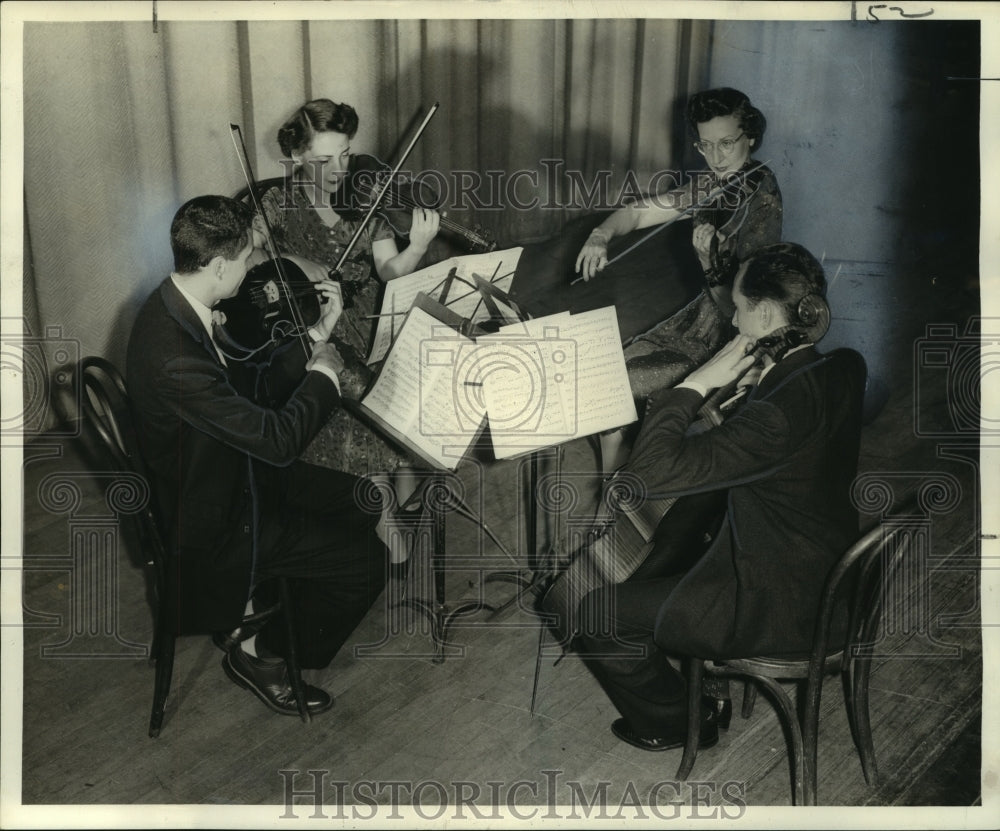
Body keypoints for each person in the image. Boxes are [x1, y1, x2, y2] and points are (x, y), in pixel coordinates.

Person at [571, 242, 866, 751]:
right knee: (685, 527)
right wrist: (757, 386)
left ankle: (679, 722)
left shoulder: (772, 419)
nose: (731, 322)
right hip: (827, 571)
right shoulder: (843, 366)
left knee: (598, 614)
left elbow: (646, 473)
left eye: (738, 308)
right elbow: (779, 442)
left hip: (777, 606)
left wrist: (695, 383)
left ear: (768, 313)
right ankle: (702, 675)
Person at [126, 195, 388, 716]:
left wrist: (316, 335)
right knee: (370, 564)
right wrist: (327, 373)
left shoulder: (179, 303)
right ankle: (261, 654)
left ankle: (287, 592)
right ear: (219, 265)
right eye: (247, 258)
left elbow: (248, 391)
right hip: (214, 514)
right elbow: (278, 440)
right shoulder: (173, 357)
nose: (252, 268)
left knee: (363, 499)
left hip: (224, 468)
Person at [252, 98, 441, 525]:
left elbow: (390, 271)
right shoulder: (277, 202)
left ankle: (402, 512)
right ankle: (381, 523)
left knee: (412, 409)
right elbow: (247, 252)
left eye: (345, 155)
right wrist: (299, 264)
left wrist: (418, 246)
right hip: (320, 328)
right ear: (297, 156)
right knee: (364, 428)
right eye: (323, 159)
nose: (338, 169)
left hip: (377, 323)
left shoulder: (363, 199)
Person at [575, 88, 783, 472]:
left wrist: (710, 264)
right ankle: (617, 486)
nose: (716, 158)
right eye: (705, 146)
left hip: (736, 333)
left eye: (726, 144)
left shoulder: (762, 200)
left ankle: (619, 490)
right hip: (700, 317)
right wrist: (601, 235)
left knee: (611, 388)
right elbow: (638, 214)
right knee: (606, 380)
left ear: (750, 136)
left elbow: (746, 310)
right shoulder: (712, 184)